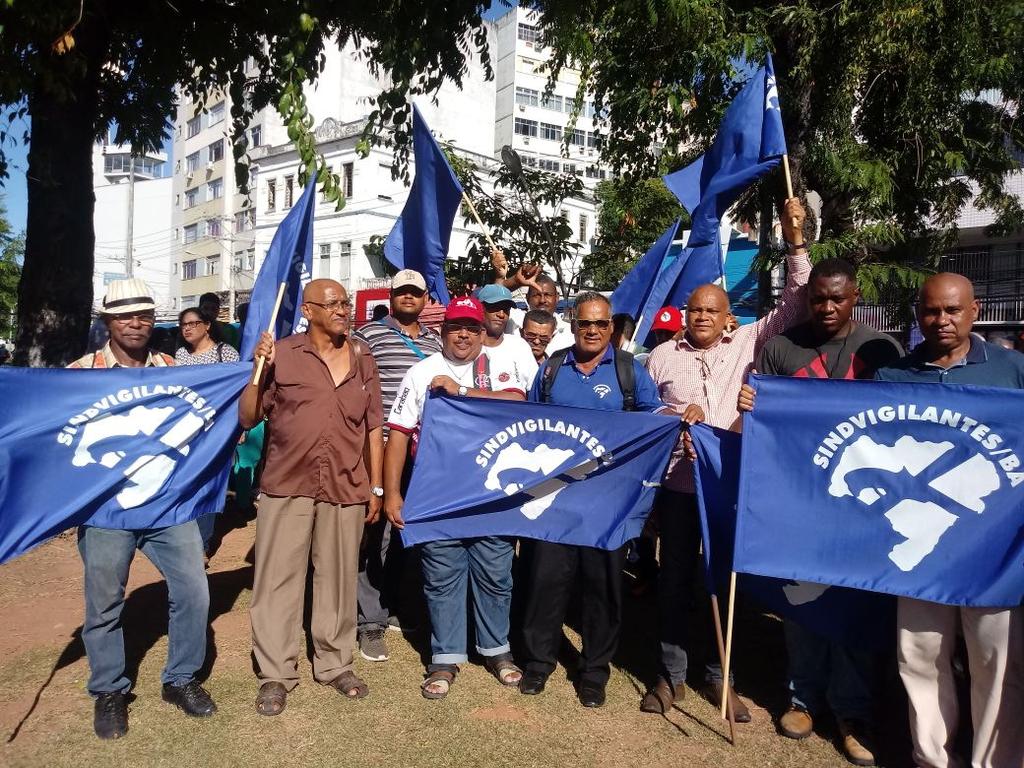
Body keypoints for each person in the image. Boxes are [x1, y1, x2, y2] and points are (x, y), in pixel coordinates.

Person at [642, 197, 812, 722]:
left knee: (725, 583)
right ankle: (669, 677)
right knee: (672, 582)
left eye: (710, 311)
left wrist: (795, 238)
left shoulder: (748, 344)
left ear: (727, 317)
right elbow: (644, 417)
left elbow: (799, 302)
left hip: (730, 486)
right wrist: (675, 417)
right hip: (676, 487)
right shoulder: (661, 356)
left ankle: (722, 680)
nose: (701, 318)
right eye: (694, 310)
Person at [736, 258, 903, 767]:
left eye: (837, 298)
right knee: (803, 601)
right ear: (807, 299)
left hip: (863, 506)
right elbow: (762, 425)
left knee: (854, 606)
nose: (827, 307)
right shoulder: (781, 348)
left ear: (854, 297)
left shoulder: (880, 350)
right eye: (818, 299)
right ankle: (802, 699)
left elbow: (900, 419)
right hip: (799, 500)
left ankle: (852, 713)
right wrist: (751, 405)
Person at [874, 273, 1024, 768]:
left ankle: (996, 761)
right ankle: (931, 758)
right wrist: (764, 406)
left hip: (994, 548)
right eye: (931, 311)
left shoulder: (1012, 370)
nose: (942, 320)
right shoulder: (892, 378)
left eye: (952, 310)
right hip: (920, 545)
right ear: (918, 315)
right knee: (919, 657)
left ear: (974, 310)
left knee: (995, 663)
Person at [517, 292, 692, 708]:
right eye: (584, 324)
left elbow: (655, 416)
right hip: (556, 499)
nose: (592, 330)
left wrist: (683, 414)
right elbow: (527, 420)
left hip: (609, 502)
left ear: (611, 328)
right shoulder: (552, 369)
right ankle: (538, 663)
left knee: (604, 590)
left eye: (600, 324)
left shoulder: (631, 371)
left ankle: (594, 672)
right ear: (573, 325)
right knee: (545, 584)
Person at [67, 278, 215, 739]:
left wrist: (258, 364)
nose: (136, 323)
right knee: (105, 601)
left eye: (145, 315)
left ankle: (181, 678)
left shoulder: (174, 367)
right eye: (125, 315)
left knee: (194, 590)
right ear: (107, 321)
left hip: (168, 506)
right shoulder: (78, 373)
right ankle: (109, 690)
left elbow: (217, 409)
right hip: (107, 511)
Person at [240, 279, 384, 716]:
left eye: (345, 303)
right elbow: (248, 416)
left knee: (338, 579)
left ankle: (335, 663)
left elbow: (373, 427)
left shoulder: (363, 358)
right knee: (277, 580)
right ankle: (276, 673)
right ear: (308, 310)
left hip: (345, 484)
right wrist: (257, 368)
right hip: (287, 483)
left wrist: (375, 486)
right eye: (333, 303)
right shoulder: (281, 353)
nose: (343, 309)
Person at [383, 295, 531, 700]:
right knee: (441, 575)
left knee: (495, 573)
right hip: (437, 492)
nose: (463, 334)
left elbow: (517, 403)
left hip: (491, 494)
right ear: (442, 332)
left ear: (482, 332)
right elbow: (397, 433)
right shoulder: (421, 371)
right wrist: (393, 493)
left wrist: (461, 390)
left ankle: (497, 650)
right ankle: (445, 656)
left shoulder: (499, 366)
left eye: (470, 327)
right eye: (454, 327)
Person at [351, 269, 442, 663]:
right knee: (374, 533)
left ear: (424, 300)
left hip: (422, 453)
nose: (408, 297)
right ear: (391, 296)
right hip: (378, 446)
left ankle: (398, 605)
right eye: (401, 292)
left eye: (415, 293)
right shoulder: (368, 335)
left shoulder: (438, 342)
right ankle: (369, 618)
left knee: (409, 529)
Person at [174, 306, 241, 559]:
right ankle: (184, 538)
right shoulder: (180, 355)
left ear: (207, 325)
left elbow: (236, 394)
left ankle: (201, 544)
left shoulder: (226, 353)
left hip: (217, 431)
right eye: (184, 325)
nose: (188, 328)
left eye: (193, 323)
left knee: (209, 486)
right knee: (187, 485)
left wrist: (238, 427)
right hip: (185, 432)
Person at [491, 250, 574, 354]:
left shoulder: (569, 333)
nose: (542, 300)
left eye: (547, 295)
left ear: (557, 297)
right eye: (536, 295)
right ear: (527, 297)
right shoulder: (513, 321)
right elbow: (494, 301)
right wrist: (514, 281)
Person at [477, 283, 540, 388]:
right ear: (480, 308)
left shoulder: (520, 346)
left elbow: (534, 389)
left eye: (506, 309)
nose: (501, 314)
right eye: (495, 307)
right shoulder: (466, 346)